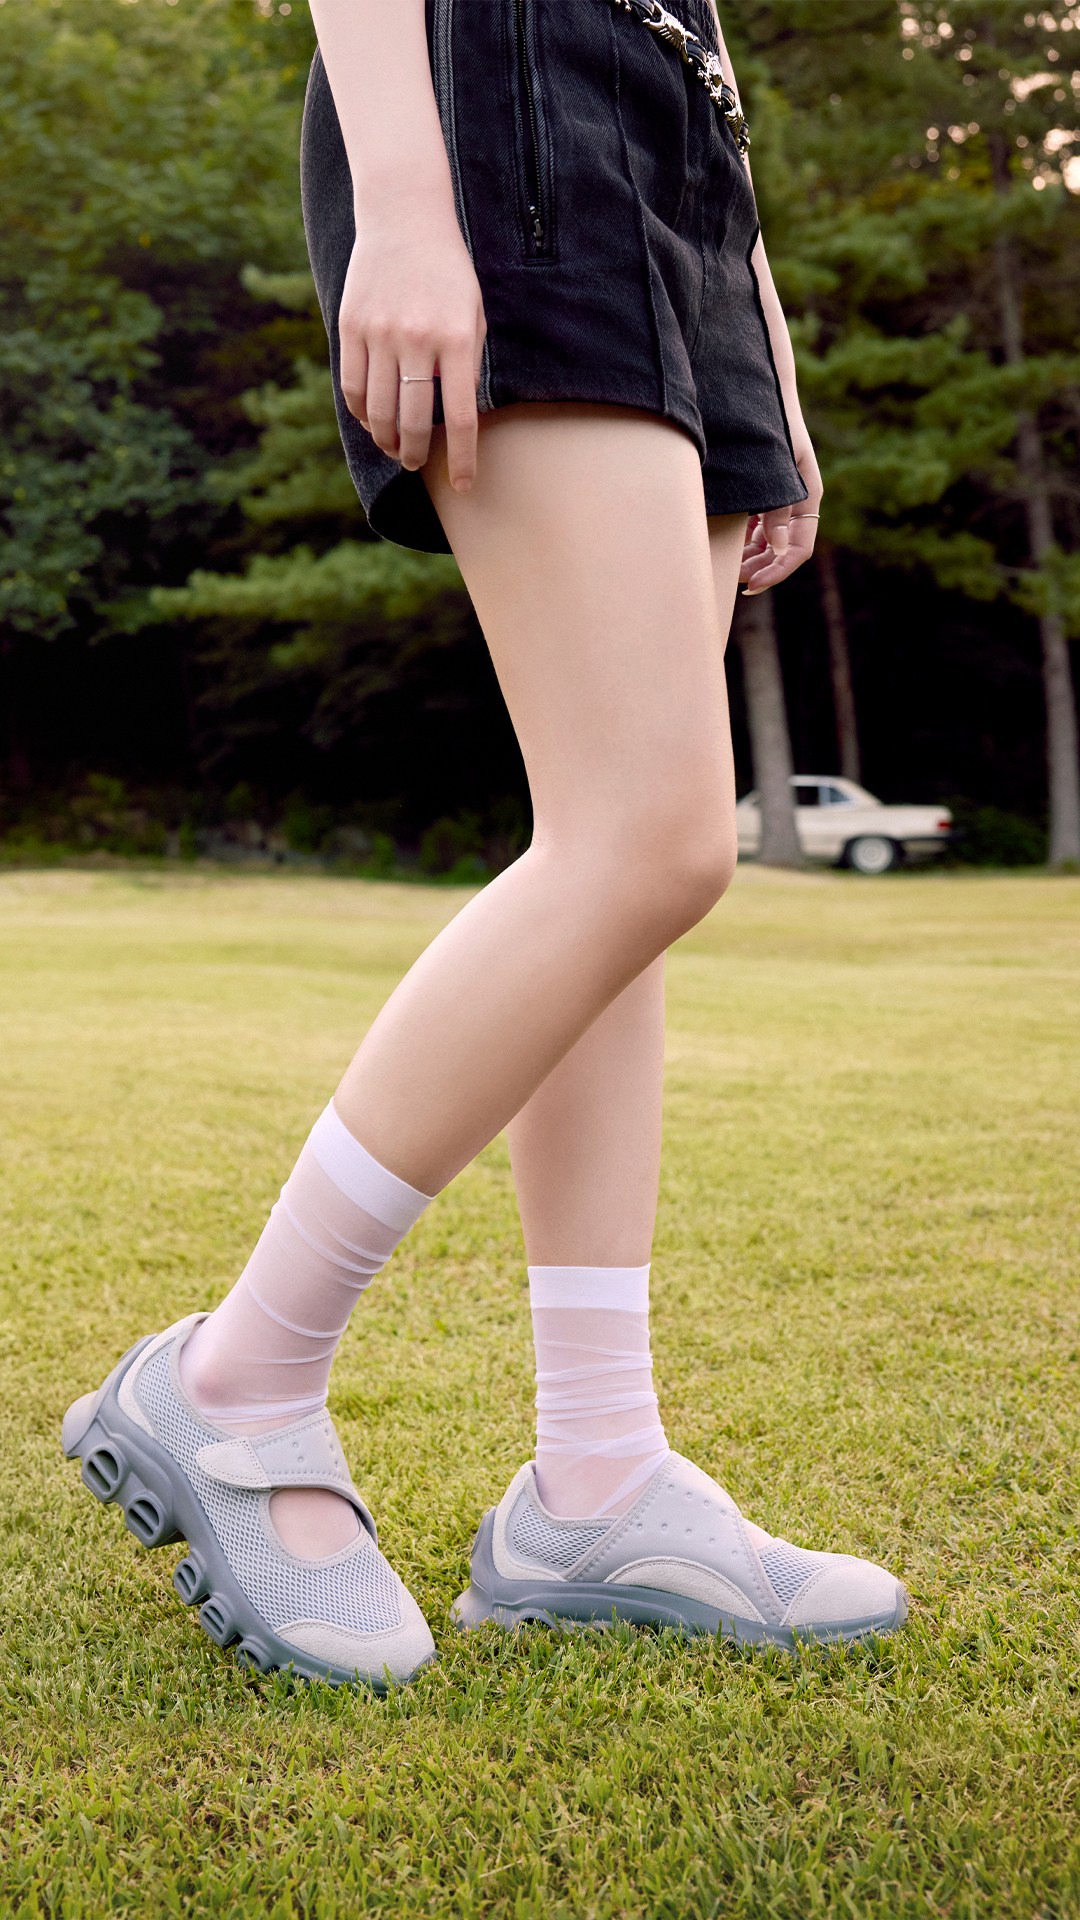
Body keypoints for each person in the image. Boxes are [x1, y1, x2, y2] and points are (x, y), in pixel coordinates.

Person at [62, 0, 906, 1689]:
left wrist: (760, 330)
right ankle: (238, 1377)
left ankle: (595, 1472)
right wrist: (403, 186)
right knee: (656, 841)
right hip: (498, 99)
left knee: (625, 870)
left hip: (677, 151)